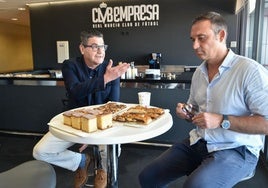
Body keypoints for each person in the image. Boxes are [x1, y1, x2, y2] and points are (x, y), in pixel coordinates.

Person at [139, 11, 268, 188]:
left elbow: (266, 123)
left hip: (237, 149)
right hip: (200, 142)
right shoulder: (199, 73)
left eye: (201, 38)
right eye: (193, 39)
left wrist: (222, 120)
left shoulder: (250, 71)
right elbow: (196, 109)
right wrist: (187, 111)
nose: (195, 45)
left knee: (196, 186)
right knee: (148, 176)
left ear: (221, 35)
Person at [33, 30, 130, 188]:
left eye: (102, 46)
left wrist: (91, 133)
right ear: (82, 48)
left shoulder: (110, 70)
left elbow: (113, 105)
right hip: (75, 123)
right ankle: (81, 161)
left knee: (113, 150)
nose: (100, 51)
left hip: (101, 125)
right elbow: (75, 90)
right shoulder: (70, 65)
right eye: (94, 46)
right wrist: (105, 79)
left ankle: (102, 171)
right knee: (40, 151)